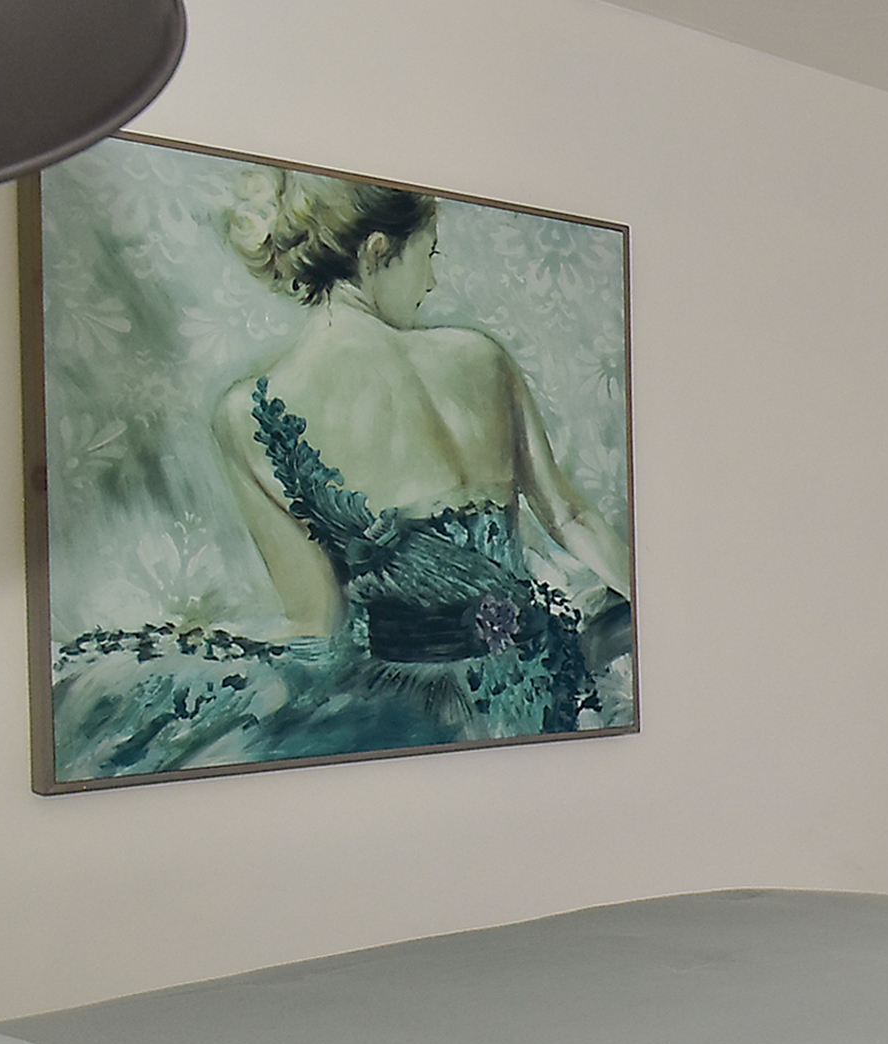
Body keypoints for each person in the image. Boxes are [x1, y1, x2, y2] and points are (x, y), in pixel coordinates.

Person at [52, 170, 633, 778]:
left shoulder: (248, 412)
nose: (431, 281)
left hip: (409, 720)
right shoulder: (480, 357)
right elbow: (571, 515)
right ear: (378, 251)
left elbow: (316, 620)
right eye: (427, 257)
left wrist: (207, 644)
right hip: (539, 688)